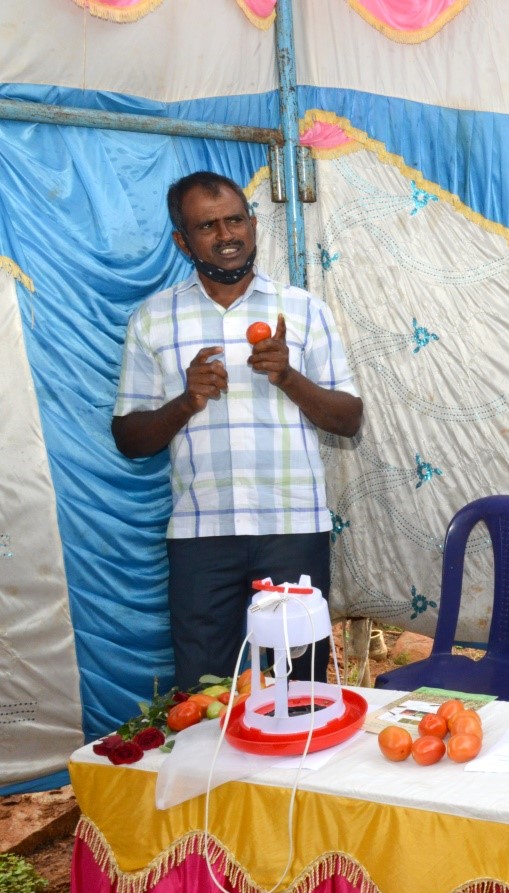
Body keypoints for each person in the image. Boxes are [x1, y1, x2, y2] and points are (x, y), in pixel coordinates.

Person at [113, 171, 363, 690]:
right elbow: (129, 439)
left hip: (292, 529)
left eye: (234, 220)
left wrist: (287, 376)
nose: (226, 236)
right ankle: (215, 773)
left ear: (253, 225)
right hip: (202, 536)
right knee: (205, 692)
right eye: (207, 226)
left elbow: (349, 418)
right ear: (184, 241)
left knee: (301, 692)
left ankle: (296, 770)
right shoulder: (153, 320)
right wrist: (187, 400)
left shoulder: (303, 310)